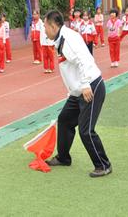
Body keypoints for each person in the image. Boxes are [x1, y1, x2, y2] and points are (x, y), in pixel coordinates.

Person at [43, 10, 112, 178]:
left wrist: (85, 84)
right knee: (65, 120)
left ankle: (103, 165)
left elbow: (83, 59)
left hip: (91, 86)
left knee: (86, 130)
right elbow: (71, 68)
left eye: (45, 26)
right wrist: (73, 92)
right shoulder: (59, 39)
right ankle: (63, 157)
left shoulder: (68, 39)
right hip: (78, 91)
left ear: (53, 26)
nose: (44, 30)